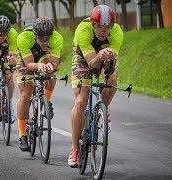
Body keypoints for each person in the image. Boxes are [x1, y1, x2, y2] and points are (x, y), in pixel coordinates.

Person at [68, 4, 123, 167]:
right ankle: (75, 149)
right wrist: (99, 55)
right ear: (93, 25)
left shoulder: (117, 33)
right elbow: (92, 65)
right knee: (81, 101)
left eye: (107, 27)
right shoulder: (83, 29)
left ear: (112, 26)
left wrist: (110, 60)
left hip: (103, 55)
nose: (103, 30)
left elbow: (108, 68)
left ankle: (102, 110)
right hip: (83, 57)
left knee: (112, 78)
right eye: (99, 26)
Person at [15, 17, 63, 151]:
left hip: (43, 56)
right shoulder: (24, 37)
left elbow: (54, 62)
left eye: (47, 37)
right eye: (41, 37)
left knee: (51, 74)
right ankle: (22, 134)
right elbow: (29, 64)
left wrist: (49, 66)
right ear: (35, 34)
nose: (44, 40)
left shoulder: (57, 38)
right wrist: (38, 66)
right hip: (27, 59)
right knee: (26, 94)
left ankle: (47, 101)